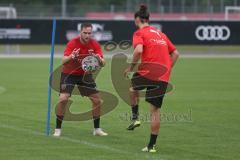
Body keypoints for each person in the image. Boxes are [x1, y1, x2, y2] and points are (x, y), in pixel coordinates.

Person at [124, 5, 179, 152]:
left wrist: (130, 67)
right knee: (155, 111)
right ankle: (151, 146)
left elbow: (138, 50)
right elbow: (176, 54)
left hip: (148, 72)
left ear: (137, 19)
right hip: (163, 76)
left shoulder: (139, 33)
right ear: (148, 19)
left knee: (131, 87)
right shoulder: (161, 34)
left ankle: (135, 117)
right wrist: (168, 69)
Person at [53, 23, 108, 137]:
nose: (87, 35)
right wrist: (71, 56)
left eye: (89, 33)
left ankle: (97, 129)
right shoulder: (72, 43)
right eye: (85, 33)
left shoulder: (95, 44)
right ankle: (57, 129)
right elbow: (63, 61)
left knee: (97, 101)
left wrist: (98, 58)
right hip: (69, 74)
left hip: (85, 75)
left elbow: (103, 63)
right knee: (63, 99)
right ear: (80, 32)